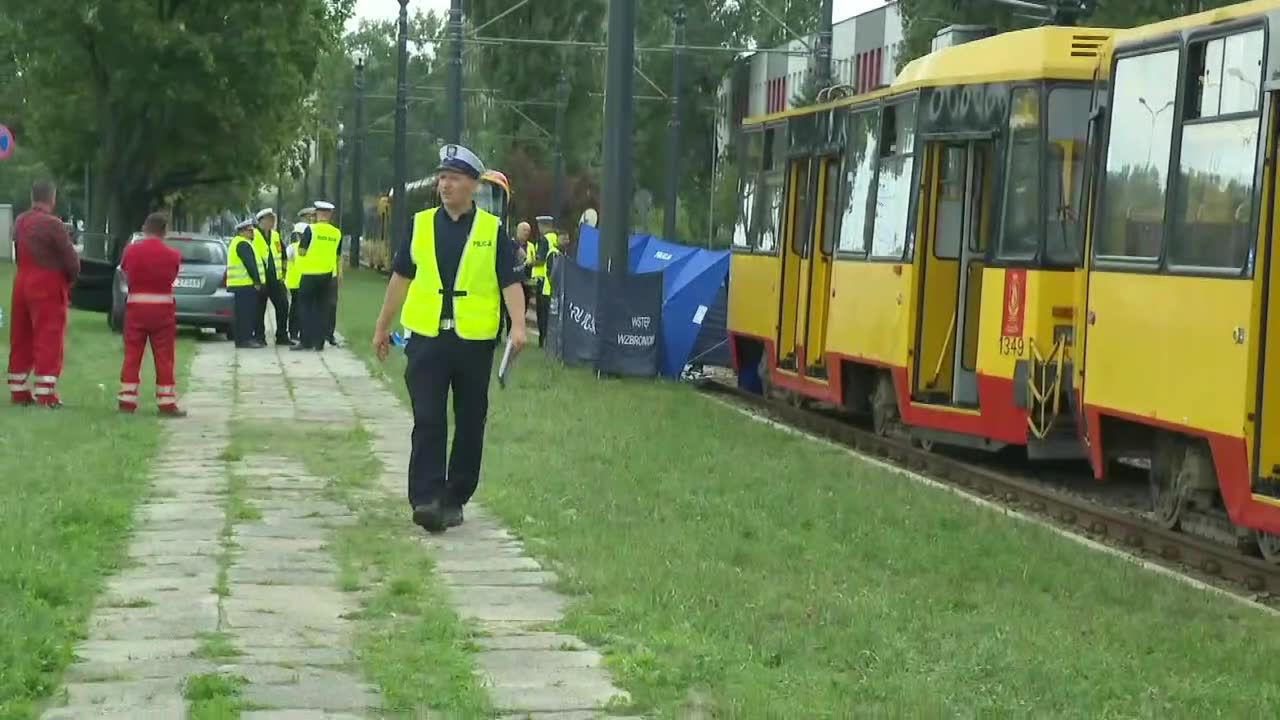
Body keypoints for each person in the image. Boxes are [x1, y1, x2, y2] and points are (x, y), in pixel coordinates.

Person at [372, 144, 527, 533]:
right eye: (442, 177)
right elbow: (401, 277)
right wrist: (382, 325)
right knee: (427, 418)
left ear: (473, 185)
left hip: (473, 342)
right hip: (426, 339)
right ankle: (425, 498)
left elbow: (510, 281)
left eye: (454, 178)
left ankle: (454, 496)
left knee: (470, 421)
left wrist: (519, 326)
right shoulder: (421, 225)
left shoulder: (493, 232)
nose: (445, 184)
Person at [7, 179, 79, 407]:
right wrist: (71, 278)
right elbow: (71, 260)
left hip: (22, 280)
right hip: (47, 283)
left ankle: (18, 390)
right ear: (52, 198)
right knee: (49, 336)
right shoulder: (53, 224)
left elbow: (17, 249)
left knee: (21, 335)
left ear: (32, 197)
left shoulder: (20, 221)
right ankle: (46, 394)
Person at [117, 212, 186, 416]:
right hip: (162, 313)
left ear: (145, 228)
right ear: (164, 231)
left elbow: (125, 273)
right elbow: (172, 278)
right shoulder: (173, 255)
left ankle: (127, 401)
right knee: (164, 358)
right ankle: (166, 403)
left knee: (132, 356)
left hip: (136, 309)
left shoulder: (130, 251)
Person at [292, 200, 341, 352]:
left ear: (318, 214)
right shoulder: (336, 233)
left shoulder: (310, 230)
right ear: (330, 215)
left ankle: (306, 341)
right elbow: (337, 256)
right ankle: (319, 343)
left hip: (309, 275)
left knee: (305, 308)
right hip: (326, 276)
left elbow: (301, 251)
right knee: (322, 309)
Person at [253, 208, 293, 346]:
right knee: (259, 310)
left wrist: (283, 273)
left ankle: (282, 336)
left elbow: (283, 256)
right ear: (261, 221)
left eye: (273, 220)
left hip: (276, 279)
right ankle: (259, 337)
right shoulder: (253, 235)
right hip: (260, 279)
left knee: (283, 305)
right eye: (270, 220)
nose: (272, 222)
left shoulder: (275, 236)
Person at [227, 219, 266, 349]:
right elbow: (250, 264)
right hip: (245, 284)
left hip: (239, 285)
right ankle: (246, 339)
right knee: (247, 314)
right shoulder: (243, 244)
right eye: (250, 231)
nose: (252, 233)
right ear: (242, 232)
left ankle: (240, 340)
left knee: (241, 314)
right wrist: (257, 281)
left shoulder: (238, 242)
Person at [284, 213, 309, 342]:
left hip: (293, 283)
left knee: (295, 308)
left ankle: (294, 332)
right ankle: (296, 332)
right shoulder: (304, 248)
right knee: (300, 309)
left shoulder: (291, 248)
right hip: (302, 282)